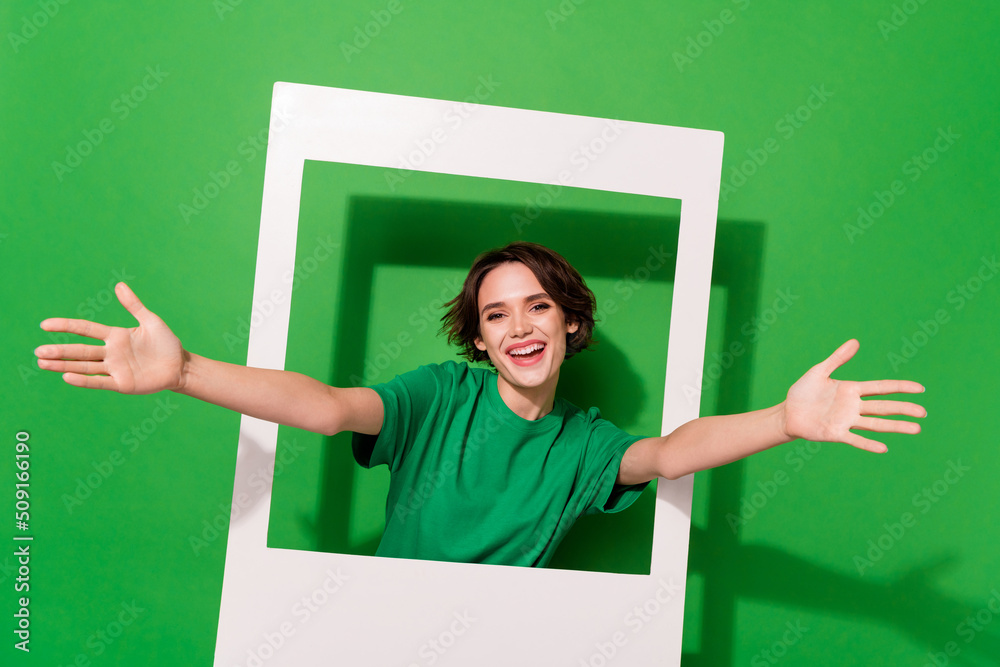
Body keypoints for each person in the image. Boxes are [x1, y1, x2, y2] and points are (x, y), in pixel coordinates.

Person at [34, 242, 926, 566]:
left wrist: (784, 419)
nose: (519, 326)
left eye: (537, 304)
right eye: (496, 314)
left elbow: (669, 453)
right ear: (480, 340)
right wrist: (186, 370)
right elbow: (325, 407)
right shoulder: (437, 397)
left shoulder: (584, 444)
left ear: (571, 322)